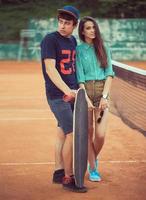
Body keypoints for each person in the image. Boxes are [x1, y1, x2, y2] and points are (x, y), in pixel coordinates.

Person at [40, 6, 87, 193]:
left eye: (67, 23)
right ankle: (69, 177)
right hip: (57, 95)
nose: (62, 25)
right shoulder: (50, 40)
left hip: (72, 93)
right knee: (71, 133)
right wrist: (67, 90)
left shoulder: (73, 39)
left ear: (74, 25)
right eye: (60, 21)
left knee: (61, 132)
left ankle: (58, 171)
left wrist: (77, 89)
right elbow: (51, 70)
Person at [76, 16, 114, 182]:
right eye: (88, 28)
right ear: (82, 31)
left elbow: (110, 74)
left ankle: (93, 157)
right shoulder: (79, 50)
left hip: (101, 92)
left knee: (100, 134)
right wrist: (85, 97)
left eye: (93, 27)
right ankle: (93, 168)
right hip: (86, 92)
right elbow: (80, 76)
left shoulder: (104, 48)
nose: (92, 30)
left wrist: (105, 97)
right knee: (88, 132)